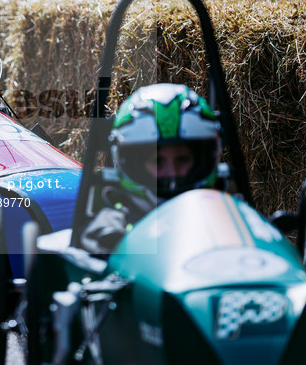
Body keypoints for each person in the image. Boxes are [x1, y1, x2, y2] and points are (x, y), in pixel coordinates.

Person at [80, 83, 222, 254]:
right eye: (158, 162)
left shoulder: (228, 216)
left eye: (183, 159)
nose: (172, 173)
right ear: (130, 164)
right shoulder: (110, 231)